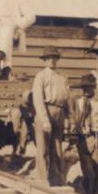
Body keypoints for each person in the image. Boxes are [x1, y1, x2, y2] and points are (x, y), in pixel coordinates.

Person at [31, 47, 68, 185]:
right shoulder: (41, 76)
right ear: (45, 61)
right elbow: (38, 99)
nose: (52, 61)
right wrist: (45, 120)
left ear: (58, 59)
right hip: (45, 111)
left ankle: (56, 179)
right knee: (43, 149)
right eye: (49, 58)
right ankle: (42, 179)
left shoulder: (61, 77)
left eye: (54, 58)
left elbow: (66, 98)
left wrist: (68, 117)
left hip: (59, 112)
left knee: (57, 149)